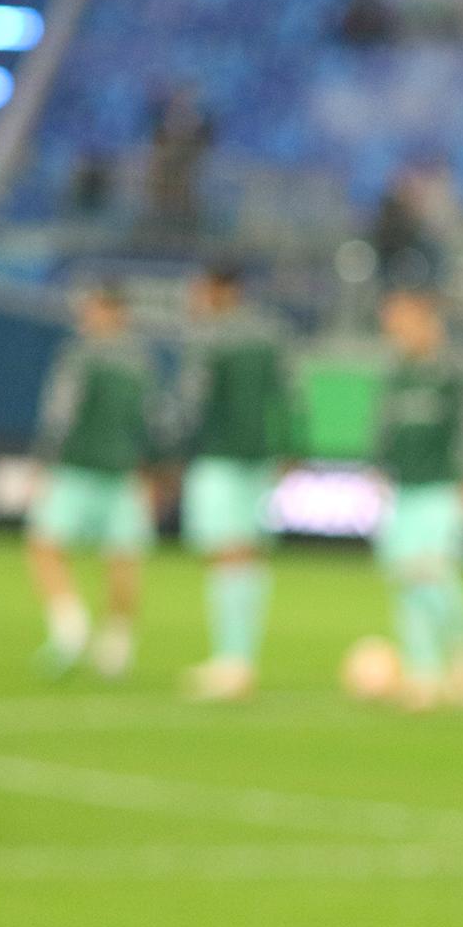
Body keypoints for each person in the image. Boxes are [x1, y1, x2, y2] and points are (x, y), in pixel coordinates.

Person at [26, 283, 163, 679]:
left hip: (79, 467)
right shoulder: (142, 360)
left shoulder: (80, 355)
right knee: (123, 556)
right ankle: (116, 645)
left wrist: (43, 460)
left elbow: (60, 413)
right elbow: (155, 421)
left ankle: (71, 624)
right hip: (123, 470)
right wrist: (155, 468)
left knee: (46, 545)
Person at [176, 264, 299, 699]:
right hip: (260, 459)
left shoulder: (210, 337)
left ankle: (231, 661)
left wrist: (172, 452)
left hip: (218, 456)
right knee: (247, 554)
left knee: (225, 555)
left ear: (218, 289)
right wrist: (289, 446)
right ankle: (241, 658)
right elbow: (289, 395)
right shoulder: (272, 334)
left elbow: (192, 401)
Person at [371, 286, 463, 712]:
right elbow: (385, 427)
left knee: (432, 573)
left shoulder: (452, 372)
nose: (395, 329)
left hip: (441, 485)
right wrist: (380, 463)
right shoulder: (396, 373)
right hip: (405, 487)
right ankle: (423, 671)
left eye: (402, 319)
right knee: (406, 578)